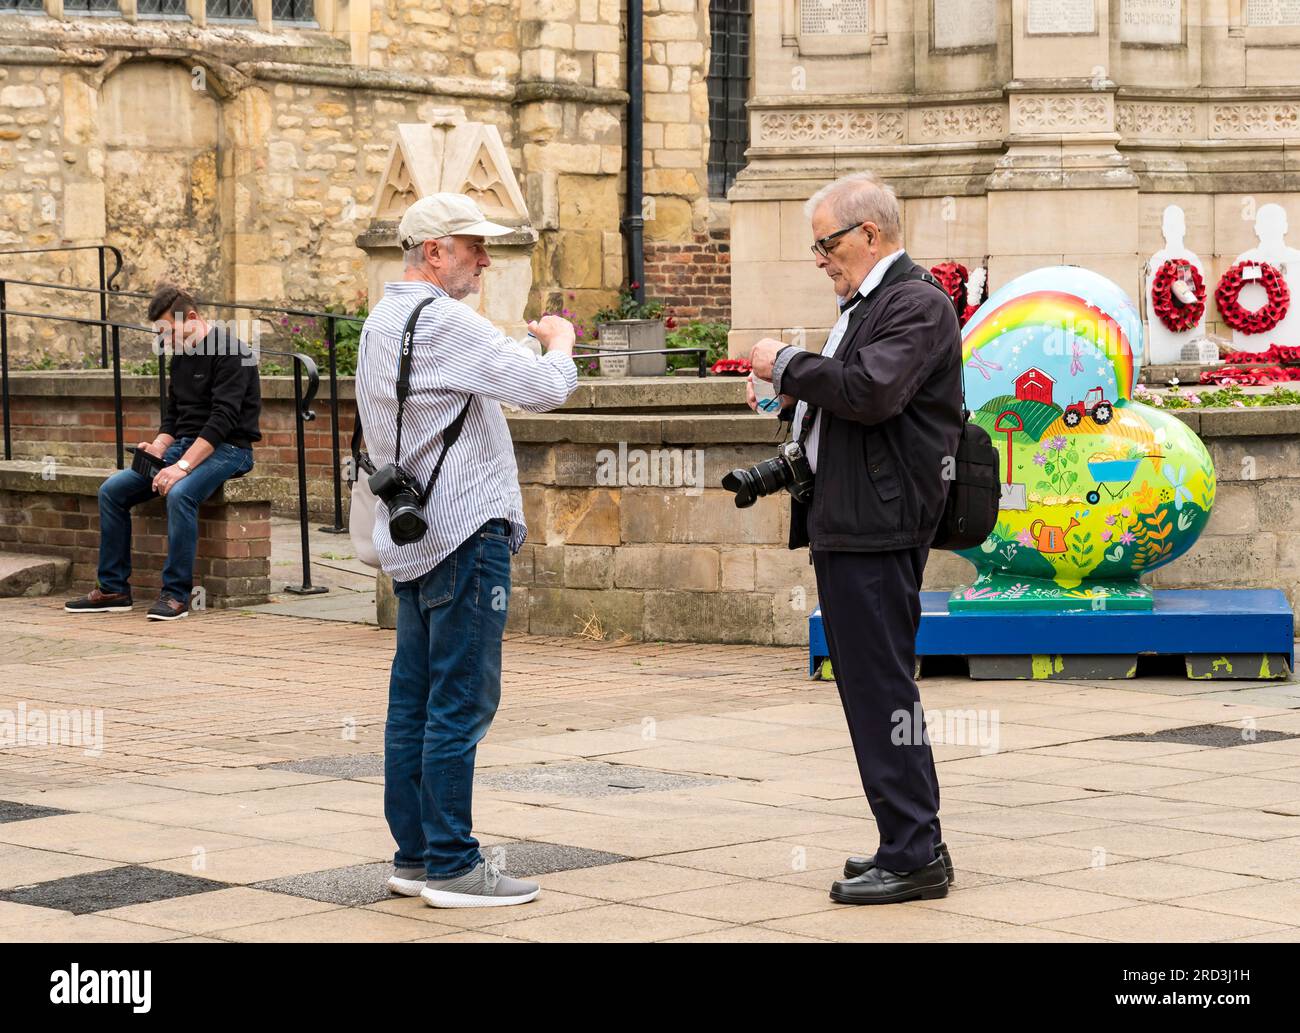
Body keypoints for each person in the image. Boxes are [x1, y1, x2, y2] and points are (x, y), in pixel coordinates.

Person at [355, 193, 578, 908]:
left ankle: (417, 855)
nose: (486, 259)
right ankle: (454, 862)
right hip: (464, 532)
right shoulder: (445, 319)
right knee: (462, 697)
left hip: (414, 534)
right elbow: (543, 388)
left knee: (414, 702)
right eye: (473, 246)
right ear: (433, 252)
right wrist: (561, 341)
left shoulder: (381, 321)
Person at [748, 172, 963, 905]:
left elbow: (871, 392)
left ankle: (913, 852)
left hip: (877, 526)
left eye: (827, 242)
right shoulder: (871, 303)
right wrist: (792, 392)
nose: (819, 257)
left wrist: (785, 361)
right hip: (855, 521)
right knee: (874, 690)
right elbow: (849, 391)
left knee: (879, 690)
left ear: (870, 233)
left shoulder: (917, 303)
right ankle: (912, 841)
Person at [65, 283, 260, 621]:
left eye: (167, 331)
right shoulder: (182, 355)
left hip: (230, 449)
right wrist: (158, 446)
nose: (165, 340)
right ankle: (113, 589)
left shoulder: (232, 352)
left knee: (180, 493)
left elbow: (222, 420)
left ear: (192, 318)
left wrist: (181, 466)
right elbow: (175, 415)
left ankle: (176, 595)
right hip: (187, 447)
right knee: (113, 491)